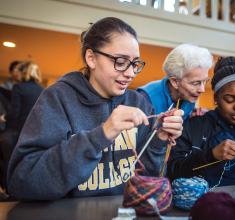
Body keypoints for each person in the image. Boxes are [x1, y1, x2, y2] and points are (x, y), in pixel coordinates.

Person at [7, 17, 183, 200]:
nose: (131, 73)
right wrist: (101, 135)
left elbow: (145, 178)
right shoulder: (58, 99)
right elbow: (22, 182)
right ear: (91, 58)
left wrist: (158, 141)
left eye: (134, 63)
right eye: (121, 61)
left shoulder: (138, 102)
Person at [168, 56, 235, 187]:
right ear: (216, 98)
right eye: (230, 99)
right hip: (205, 203)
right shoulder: (194, 127)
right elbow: (173, 171)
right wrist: (211, 155)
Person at [137, 44, 212, 119]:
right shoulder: (145, 98)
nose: (202, 90)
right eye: (195, 83)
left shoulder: (189, 96)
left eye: (205, 81)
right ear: (175, 81)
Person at [0, 61, 43, 190]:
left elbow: (14, 113)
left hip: (17, 132)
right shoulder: (42, 89)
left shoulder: (18, 87)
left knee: (8, 160)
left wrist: (3, 118)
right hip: (36, 134)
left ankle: (9, 189)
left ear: (24, 73)